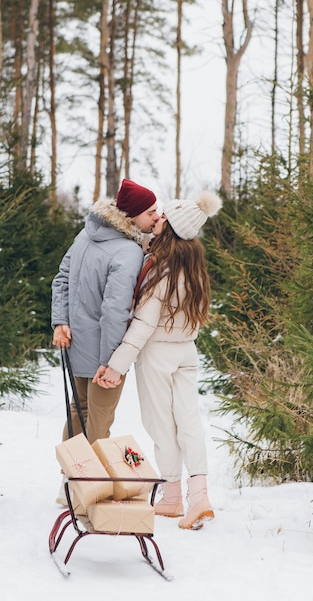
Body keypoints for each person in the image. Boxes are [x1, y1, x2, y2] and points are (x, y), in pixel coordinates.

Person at [93, 190, 222, 530]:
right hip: (187, 352)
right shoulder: (194, 266)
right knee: (189, 422)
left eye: (164, 217)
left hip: (157, 354)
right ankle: (200, 496)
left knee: (160, 425)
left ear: (174, 229)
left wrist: (116, 366)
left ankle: (172, 497)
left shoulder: (162, 269)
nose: (158, 218)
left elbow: (143, 324)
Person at [51, 178, 160, 449]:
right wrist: (112, 361)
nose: (156, 217)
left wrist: (61, 321)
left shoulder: (85, 235)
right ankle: (91, 487)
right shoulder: (128, 252)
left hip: (76, 342)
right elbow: (115, 310)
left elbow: (61, 279)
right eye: (150, 212)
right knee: (99, 422)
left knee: (79, 411)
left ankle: (71, 483)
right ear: (132, 215)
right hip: (103, 350)